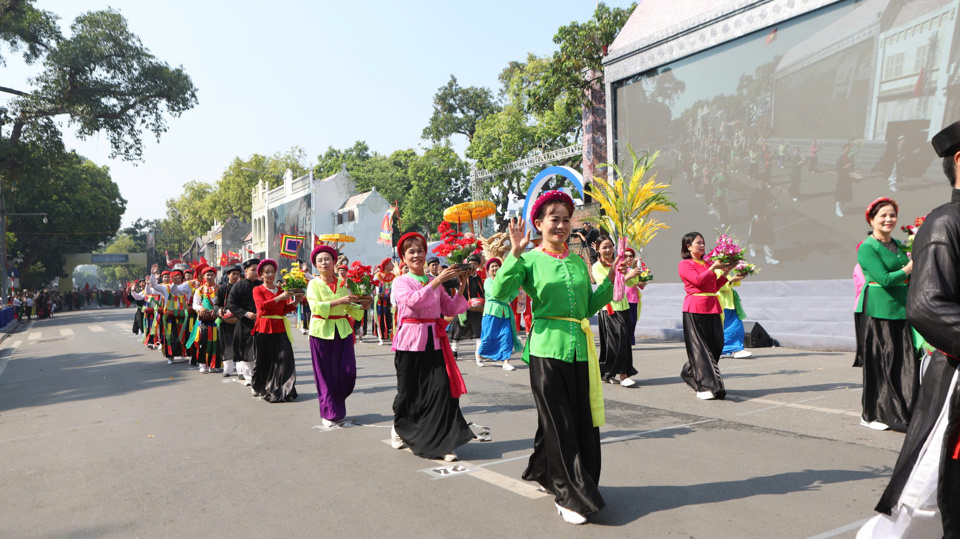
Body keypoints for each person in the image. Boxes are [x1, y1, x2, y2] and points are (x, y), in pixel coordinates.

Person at [496, 190, 626, 525]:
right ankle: (568, 494)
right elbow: (498, 293)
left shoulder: (577, 261)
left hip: (580, 350)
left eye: (567, 219)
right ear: (538, 224)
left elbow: (588, 307)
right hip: (546, 350)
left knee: (577, 420)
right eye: (554, 219)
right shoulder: (528, 259)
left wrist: (614, 277)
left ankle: (544, 470)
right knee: (560, 423)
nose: (562, 225)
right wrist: (513, 253)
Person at [857, 120, 960, 539]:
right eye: (884, 215)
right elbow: (927, 304)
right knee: (926, 495)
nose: (889, 220)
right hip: (955, 378)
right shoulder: (946, 225)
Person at [389, 231, 473, 462]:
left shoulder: (435, 282)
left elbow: (449, 309)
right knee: (408, 391)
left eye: (420, 250)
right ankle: (399, 427)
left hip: (435, 342)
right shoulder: (400, 281)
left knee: (441, 391)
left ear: (426, 254)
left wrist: (462, 287)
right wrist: (438, 280)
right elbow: (413, 302)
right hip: (409, 342)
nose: (416, 255)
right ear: (403, 258)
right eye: (411, 252)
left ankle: (442, 443)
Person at [853, 197, 919, 432]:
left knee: (903, 364)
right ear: (871, 220)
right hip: (878, 313)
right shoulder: (868, 247)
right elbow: (884, 279)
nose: (889, 219)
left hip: (901, 311)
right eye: (883, 215)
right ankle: (871, 414)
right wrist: (909, 268)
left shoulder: (899, 246)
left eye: (892, 215)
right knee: (880, 365)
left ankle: (901, 411)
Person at [306, 245, 369, 428]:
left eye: (327, 259)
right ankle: (329, 412)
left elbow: (348, 308)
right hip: (321, 331)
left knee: (348, 372)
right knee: (325, 374)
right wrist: (340, 301)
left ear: (335, 262)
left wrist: (361, 308)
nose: (324, 262)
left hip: (342, 330)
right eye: (320, 260)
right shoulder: (313, 284)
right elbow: (315, 307)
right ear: (316, 266)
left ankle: (336, 406)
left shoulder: (343, 284)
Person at [678, 232, 743, 400]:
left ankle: (690, 371)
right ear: (688, 246)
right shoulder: (685, 264)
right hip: (694, 308)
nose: (702, 245)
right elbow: (698, 281)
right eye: (698, 243)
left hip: (712, 307)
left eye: (703, 243)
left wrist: (729, 275)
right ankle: (704, 386)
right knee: (700, 348)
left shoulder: (707, 263)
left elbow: (714, 287)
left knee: (717, 344)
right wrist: (714, 268)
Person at [592, 236, 642, 386]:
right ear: (597, 250)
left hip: (624, 306)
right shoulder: (597, 267)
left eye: (610, 246)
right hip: (609, 309)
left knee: (623, 342)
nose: (607, 250)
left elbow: (632, 283)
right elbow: (606, 286)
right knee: (617, 342)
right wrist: (627, 276)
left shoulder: (621, 263)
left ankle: (606, 372)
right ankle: (623, 375)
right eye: (604, 247)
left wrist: (634, 272)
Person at [251, 259, 302, 402]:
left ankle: (286, 390)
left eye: (272, 272)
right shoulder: (258, 289)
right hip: (264, 327)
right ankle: (263, 387)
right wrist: (280, 298)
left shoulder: (280, 290)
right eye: (267, 272)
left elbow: (283, 309)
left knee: (285, 359)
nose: (270, 275)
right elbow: (261, 307)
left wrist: (295, 302)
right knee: (265, 360)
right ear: (261, 274)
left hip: (280, 327)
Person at [477, 257, 523, 371]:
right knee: (488, 337)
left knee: (507, 337)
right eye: (492, 266)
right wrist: (506, 293)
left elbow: (510, 296)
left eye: (497, 266)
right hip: (491, 312)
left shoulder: (505, 282)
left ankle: (506, 362)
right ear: (488, 271)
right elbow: (494, 294)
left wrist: (516, 289)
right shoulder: (488, 281)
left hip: (505, 312)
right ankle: (479, 354)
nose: (495, 268)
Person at [149, 265, 193, 364]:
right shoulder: (165, 287)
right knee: (170, 335)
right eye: (175, 276)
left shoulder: (186, 286)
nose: (177, 278)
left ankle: (186, 353)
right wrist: (153, 275)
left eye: (179, 276)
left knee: (186, 335)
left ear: (182, 277)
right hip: (170, 315)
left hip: (184, 316)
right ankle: (171, 356)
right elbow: (154, 286)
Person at [227, 259, 261, 385]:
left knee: (259, 351)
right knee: (247, 352)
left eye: (258, 269)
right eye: (253, 269)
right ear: (246, 271)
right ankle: (249, 378)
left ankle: (259, 376)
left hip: (261, 323)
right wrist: (246, 313)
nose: (256, 271)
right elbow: (231, 304)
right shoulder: (238, 286)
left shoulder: (262, 285)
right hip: (244, 324)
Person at [448, 253, 484, 363]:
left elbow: (482, 292)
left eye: (475, 264)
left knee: (478, 331)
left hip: (474, 308)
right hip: (462, 308)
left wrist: (482, 301)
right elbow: (448, 283)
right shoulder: (461, 276)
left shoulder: (478, 278)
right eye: (471, 264)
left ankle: (478, 356)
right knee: (458, 331)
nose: (472, 267)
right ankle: (454, 351)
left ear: (478, 266)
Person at [187, 266, 222, 374]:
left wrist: (218, 310)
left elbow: (223, 302)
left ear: (215, 276)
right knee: (203, 341)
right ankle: (203, 364)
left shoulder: (220, 288)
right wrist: (200, 308)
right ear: (204, 276)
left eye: (212, 275)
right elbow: (195, 304)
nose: (210, 277)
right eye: (207, 275)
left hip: (217, 319)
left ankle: (214, 365)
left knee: (217, 342)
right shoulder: (200, 289)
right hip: (203, 320)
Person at [717, 270, 752, 359]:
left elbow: (730, 284)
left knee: (729, 325)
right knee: (733, 325)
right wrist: (732, 280)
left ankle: (721, 349)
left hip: (727, 301)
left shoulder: (722, 270)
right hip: (722, 302)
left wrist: (737, 277)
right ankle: (736, 349)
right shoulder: (716, 270)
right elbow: (719, 286)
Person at [216, 264, 242, 377]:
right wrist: (219, 312)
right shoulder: (222, 289)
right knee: (226, 345)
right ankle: (228, 369)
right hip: (225, 322)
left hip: (241, 321)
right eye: (233, 274)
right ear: (228, 275)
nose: (236, 276)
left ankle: (242, 371)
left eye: (238, 274)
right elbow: (216, 304)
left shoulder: (243, 288)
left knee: (241, 346)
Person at [374, 258, 395, 346]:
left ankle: (389, 336)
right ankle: (380, 337)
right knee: (380, 317)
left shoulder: (393, 276)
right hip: (380, 300)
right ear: (385, 265)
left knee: (389, 317)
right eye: (390, 264)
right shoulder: (378, 275)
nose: (392, 265)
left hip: (390, 300)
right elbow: (375, 287)